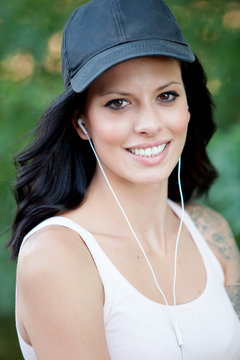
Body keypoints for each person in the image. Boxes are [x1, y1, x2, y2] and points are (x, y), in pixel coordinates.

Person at [8, 0, 240, 359]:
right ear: (82, 122)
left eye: (166, 96)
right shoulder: (60, 256)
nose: (149, 124)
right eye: (118, 103)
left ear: (187, 106)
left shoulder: (211, 233)